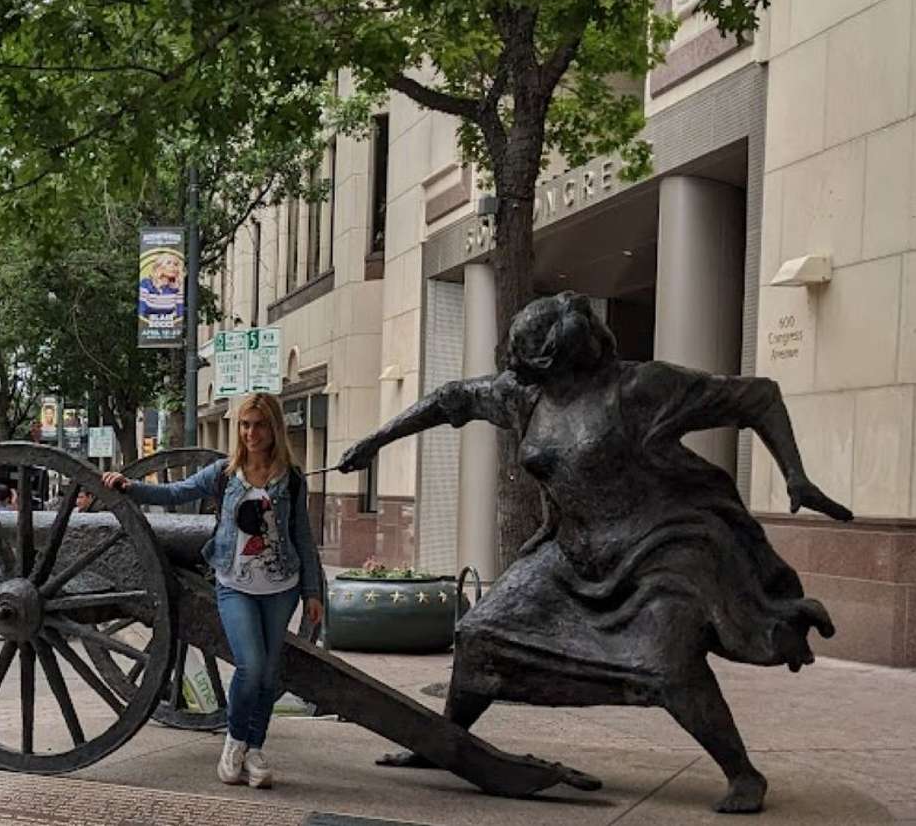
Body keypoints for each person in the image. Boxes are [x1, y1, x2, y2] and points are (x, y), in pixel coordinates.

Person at [336, 292, 852, 814]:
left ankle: (743, 774)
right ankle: (446, 742)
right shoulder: (526, 397)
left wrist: (796, 474)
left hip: (659, 553)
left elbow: (757, 396)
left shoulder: (641, 389)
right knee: (478, 634)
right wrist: (374, 442)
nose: (517, 372)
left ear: (556, 357)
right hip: (571, 555)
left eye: (529, 360)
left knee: (666, 665)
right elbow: (452, 399)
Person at [101, 392, 324, 789]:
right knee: (251, 666)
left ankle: (255, 752)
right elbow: (175, 493)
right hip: (234, 584)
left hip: (281, 587)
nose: (251, 433)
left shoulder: (291, 477)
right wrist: (130, 487)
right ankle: (235, 743)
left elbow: (302, 536)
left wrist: (313, 592)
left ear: (274, 429)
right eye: (245, 425)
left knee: (270, 675)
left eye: (258, 425)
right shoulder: (225, 473)